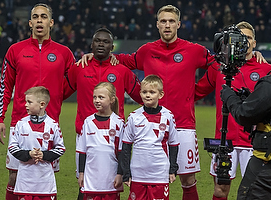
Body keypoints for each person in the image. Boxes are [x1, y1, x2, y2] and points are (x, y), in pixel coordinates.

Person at [79, 5, 265, 199]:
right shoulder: (146, 50)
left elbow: (219, 62)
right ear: (157, 24)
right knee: (146, 180)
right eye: (163, 21)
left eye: (171, 21)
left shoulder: (194, 50)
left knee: (188, 181)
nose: (167, 25)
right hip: (149, 125)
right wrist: (95, 57)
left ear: (178, 24)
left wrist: (252, 55)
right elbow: (122, 59)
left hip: (183, 125)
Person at [0, 3, 75, 200]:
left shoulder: (64, 53)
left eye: (44, 17)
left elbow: (74, 81)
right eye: (36, 17)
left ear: (51, 22)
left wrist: (54, 97)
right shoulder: (15, 50)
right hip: (19, 123)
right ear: (30, 23)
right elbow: (5, 85)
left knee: (45, 176)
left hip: (49, 125)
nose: (40, 20)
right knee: (14, 176)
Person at [195, 21, 271, 200]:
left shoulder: (266, 69)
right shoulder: (218, 66)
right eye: (240, 39)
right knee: (220, 191)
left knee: (255, 191)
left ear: (254, 43)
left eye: (248, 39)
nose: (244, 43)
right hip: (224, 140)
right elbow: (197, 91)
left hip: (253, 144)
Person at [65, 27, 142, 200]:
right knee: (84, 183)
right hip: (86, 136)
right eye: (97, 41)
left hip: (115, 136)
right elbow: (60, 93)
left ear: (112, 47)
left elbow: (143, 97)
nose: (101, 44)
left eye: (106, 41)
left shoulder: (122, 71)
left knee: (114, 182)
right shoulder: (79, 68)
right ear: (91, 44)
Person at [121, 74, 179, 200]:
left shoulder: (168, 116)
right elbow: (126, 146)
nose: (147, 95)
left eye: (152, 92)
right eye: (144, 92)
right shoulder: (133, 117)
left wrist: (173, 169)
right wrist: (126, 173)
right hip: (138, 173)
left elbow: (174, 144)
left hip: (159, 173)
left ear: (161, 94)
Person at [8, 86, 65, 200]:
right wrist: (29, 154)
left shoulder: (52, 125)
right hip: (25, 179)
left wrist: (44, 155)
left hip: (45, 180)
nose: (25, 105)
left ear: (42, 104)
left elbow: (60, 148)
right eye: (26, 102)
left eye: (29, 102)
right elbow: (12, 147)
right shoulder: (20, 124)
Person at [220, 73, 271, 200]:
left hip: (265, 163)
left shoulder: (268, 84)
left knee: (249, 194)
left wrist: (230, 97)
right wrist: (252, 100)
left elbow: (245, 115)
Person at [77, 82, 124, 199]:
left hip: (111, 178)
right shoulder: (88, 122)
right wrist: (81, 173)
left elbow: (123, 152)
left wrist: (120, 174)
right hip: (90, 178)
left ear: (112, 100)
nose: (97, 100)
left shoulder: (119, 123)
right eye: (95, 97)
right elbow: (82, 151)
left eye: (101, 97)